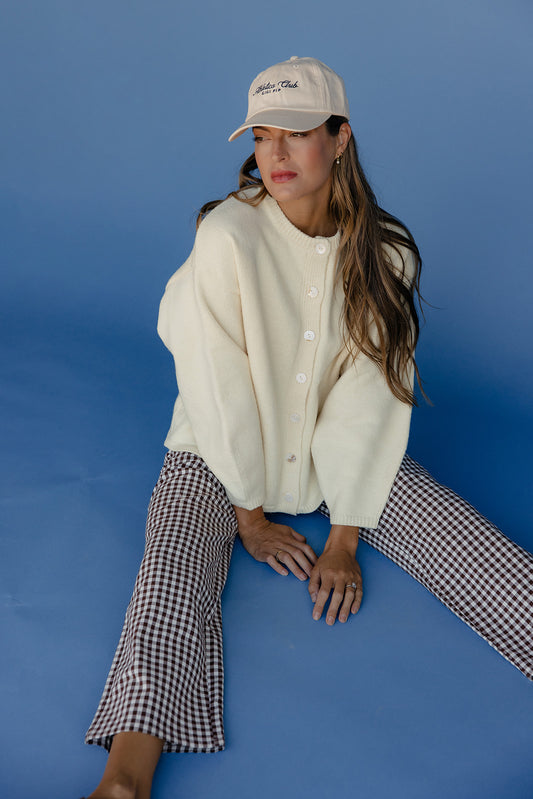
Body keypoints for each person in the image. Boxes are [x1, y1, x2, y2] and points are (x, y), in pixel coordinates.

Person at [82, 57, 533, 799]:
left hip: (334, 453)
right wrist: (249, 516)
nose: (277, 155)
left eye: (295, 134)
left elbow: (368, 395)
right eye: (262, 137)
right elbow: (214, 385)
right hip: (215, 455)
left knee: (463, 537)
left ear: (340, 138)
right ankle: (123, 780)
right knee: (169, 580)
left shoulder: (386, 252)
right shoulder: (226, 235)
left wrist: (346, 535)